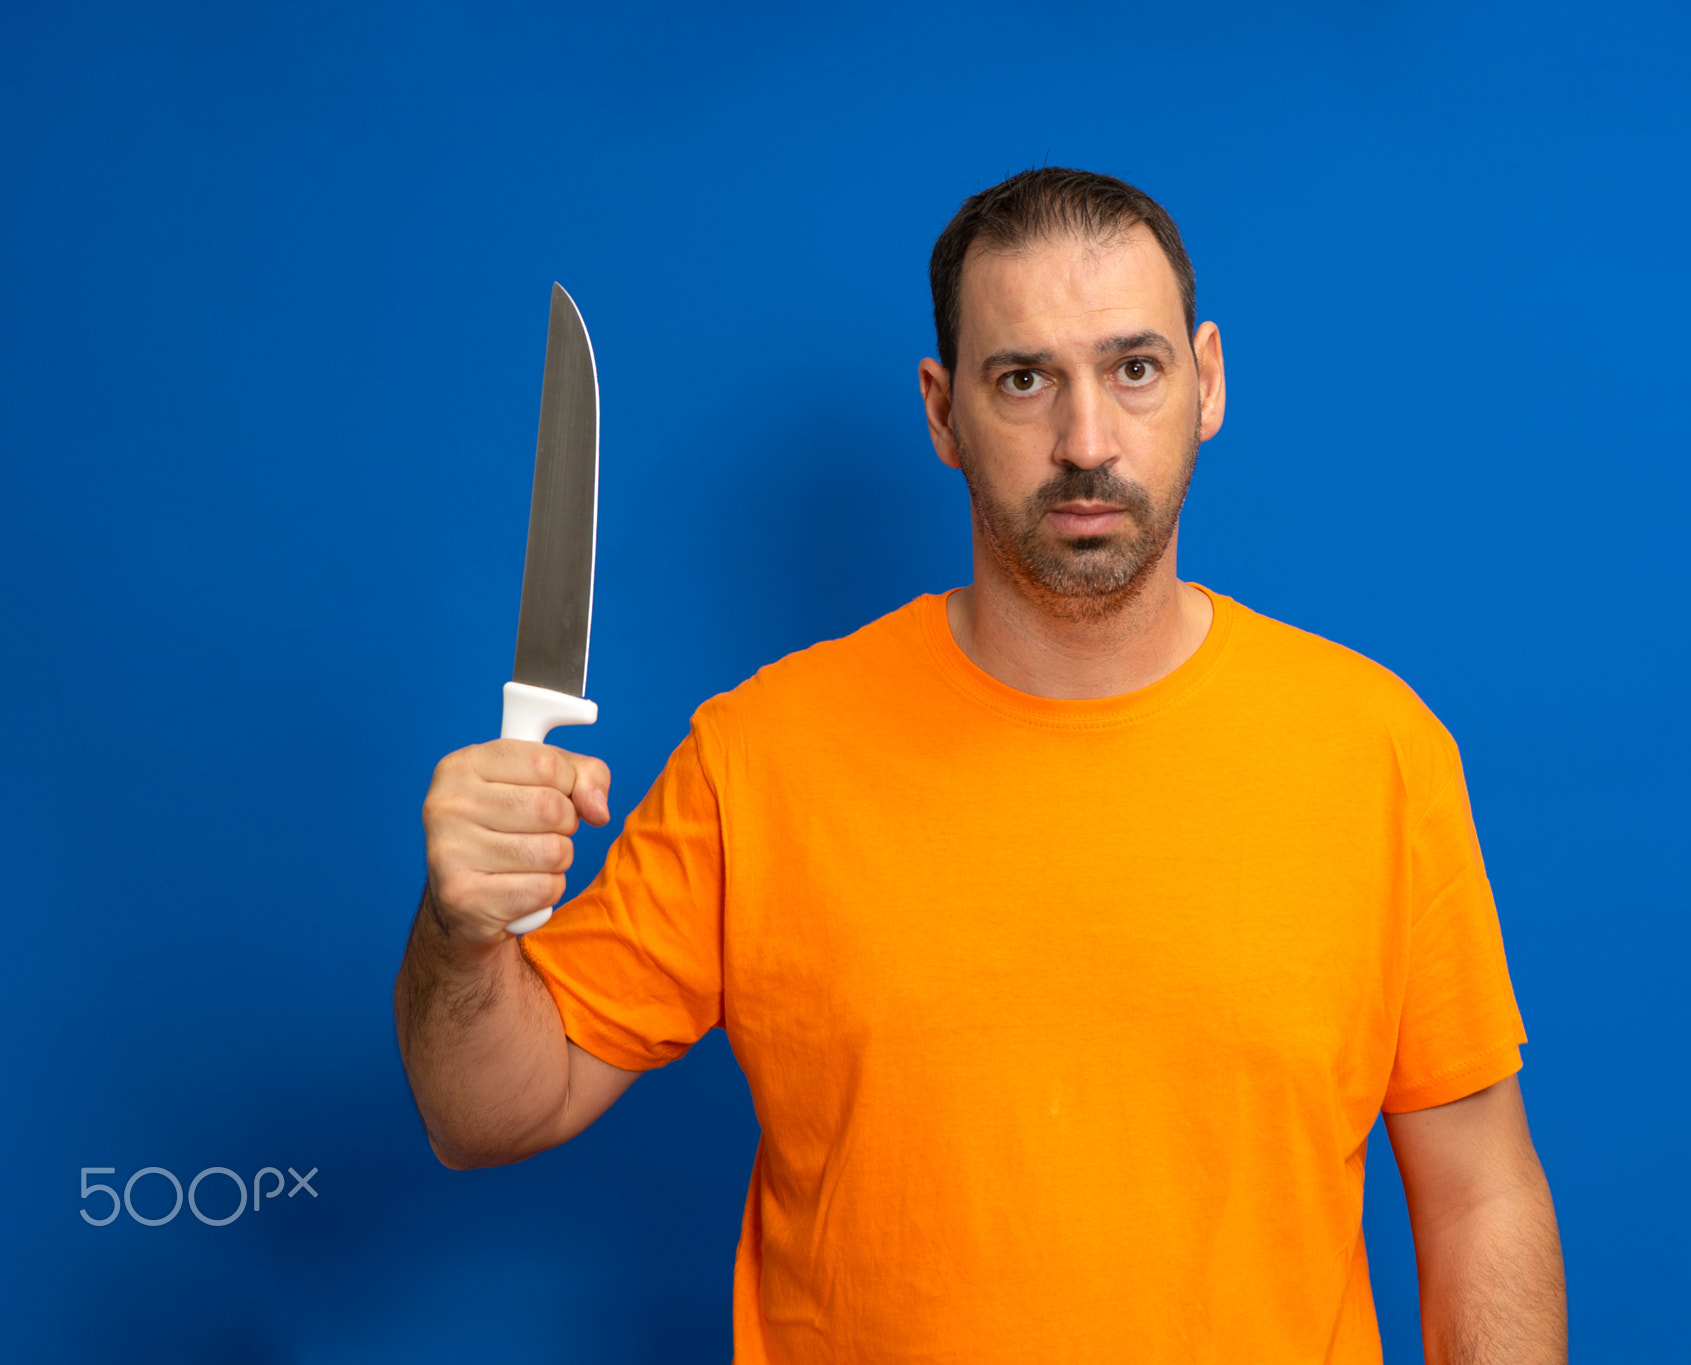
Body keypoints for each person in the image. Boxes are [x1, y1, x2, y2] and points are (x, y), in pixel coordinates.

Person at [396, 168, 1567, 1363]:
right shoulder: (766, 752)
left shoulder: (1372, 749)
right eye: (1023, 380)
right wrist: (461, 931)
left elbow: (1479, 1193)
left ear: (1205, 382)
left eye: (1134, 368)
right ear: (941, 411)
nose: (1086, 442)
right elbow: (487, 1109)